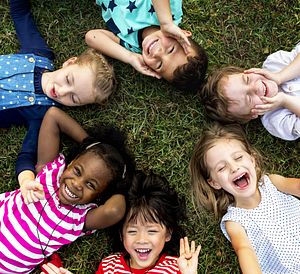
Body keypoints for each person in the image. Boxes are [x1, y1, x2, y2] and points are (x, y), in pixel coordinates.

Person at [0, 107, 135, 274]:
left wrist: (122, 185)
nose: (77, 184)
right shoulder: (49, 172)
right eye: (77, 171)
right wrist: (90, 144)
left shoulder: (79, 218)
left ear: (100, 196)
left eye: (91, 185)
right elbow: (53, 116)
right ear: (70, 163)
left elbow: (115, 210)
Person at [1, 0, 116, 186]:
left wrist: (26, 181)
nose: (61, 91)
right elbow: (20, 14)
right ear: (70, 62)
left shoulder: (41, 113)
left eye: (73, 98)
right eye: (69, 80)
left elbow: (27, 155)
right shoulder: (39, 53)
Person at [189, 123, 300, 273]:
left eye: (238, 157)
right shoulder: (234, 221)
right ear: (214, 183)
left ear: (252, 160)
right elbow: (244, 250)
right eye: (221, 168)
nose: (234, 168)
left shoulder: (272, 183)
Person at [41, 172, 201, 274]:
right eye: (132, 231)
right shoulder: (110, 266)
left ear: (167, 234)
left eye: (151, 231)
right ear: (121, 234)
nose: (141, 239)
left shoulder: (176, 267)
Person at [85, 0, 208, 92]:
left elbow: (92, 37)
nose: (157, 53)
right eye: (171, 50)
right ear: (183, 34)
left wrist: (130, 58)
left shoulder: (132, 46)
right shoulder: (171, 13)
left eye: (159, 65)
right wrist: (166, 22)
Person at [201, 41, 300, 141]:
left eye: (247, 80)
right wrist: (285, 100)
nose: (256, 87)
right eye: (249, 98)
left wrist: (280, 76)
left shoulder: (274, 63)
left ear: (248, 71)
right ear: (252, 115)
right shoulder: (276, 121)